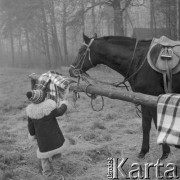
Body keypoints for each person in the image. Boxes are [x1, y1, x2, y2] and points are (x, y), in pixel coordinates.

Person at [26, 89, 68, 180]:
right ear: (42, 98)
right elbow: (60, 112)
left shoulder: (31, 113)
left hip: (42, 140)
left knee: (44, 158)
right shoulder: (49, 108)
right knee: (56, 155)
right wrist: (64, 103)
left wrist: (32, 135)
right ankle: (58, 174)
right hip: (54, 138)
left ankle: (47, 175)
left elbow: (31, 127)